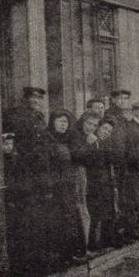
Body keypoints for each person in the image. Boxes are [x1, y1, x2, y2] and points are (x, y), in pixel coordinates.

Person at [1, 86, 50, 277]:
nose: (35, 101)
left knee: (38, 216)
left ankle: (37, 260)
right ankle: (24, 263)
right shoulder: (14, 116)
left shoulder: (39, 117)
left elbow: (44, 142)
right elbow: (8, 141)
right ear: (25, 99)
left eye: (38, 98)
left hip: (38, 174)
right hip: (22, 173)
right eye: (32, 98)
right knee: (24, 218)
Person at [45, 109, 88, 268]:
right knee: (58, 221)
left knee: (69, 218)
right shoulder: (47, 141)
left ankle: (69, 254)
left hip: (67, 185)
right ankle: (60, 257)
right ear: (53, 122)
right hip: (54, 187)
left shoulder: (67, 140)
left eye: (66, 122)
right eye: (60, 121)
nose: (63, 125)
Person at [73, 114, 118, 253]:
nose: (105, 132)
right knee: (93, 213)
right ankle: (91, 244)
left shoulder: (103, 143)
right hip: (92, 183)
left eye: (109, 131)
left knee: (105, 212)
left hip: (104, 182)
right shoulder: (89, 141)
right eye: (103, 128)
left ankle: (103, 242)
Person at [119, 102, 139, 242]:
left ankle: (136, 227)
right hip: (133, 169)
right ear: (134, 112)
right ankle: (130, 230)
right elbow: (127, 151)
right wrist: (135, 163)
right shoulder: (129, 127)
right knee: (133, 200)